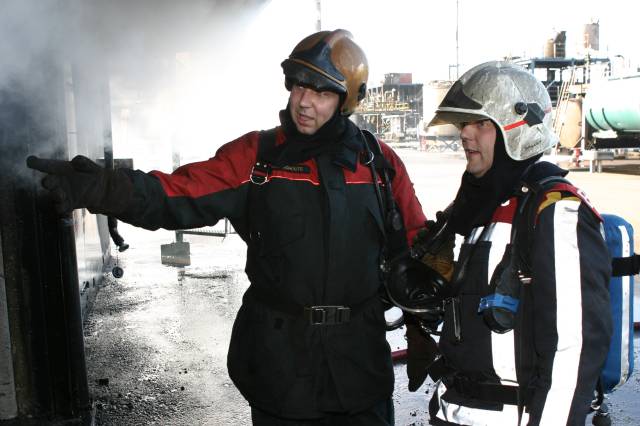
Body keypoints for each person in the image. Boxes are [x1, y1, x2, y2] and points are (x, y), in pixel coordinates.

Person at [27, 29, 427, 425]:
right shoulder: (257, 158)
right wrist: (104, 188)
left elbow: (416, 252)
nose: (304, 101)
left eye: (321, 92)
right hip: (283, 369)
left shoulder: (380, 165)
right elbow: (177, 194)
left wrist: (420, 330)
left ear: (346, 100)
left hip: (360, 367)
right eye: (299, 85)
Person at [406, 61, 612, 425]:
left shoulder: (554, 210)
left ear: (516, 128)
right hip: (455, 412)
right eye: (464, 124)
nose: (465, 134)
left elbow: (574, 350)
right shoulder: (478, 209)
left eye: (481, 123)